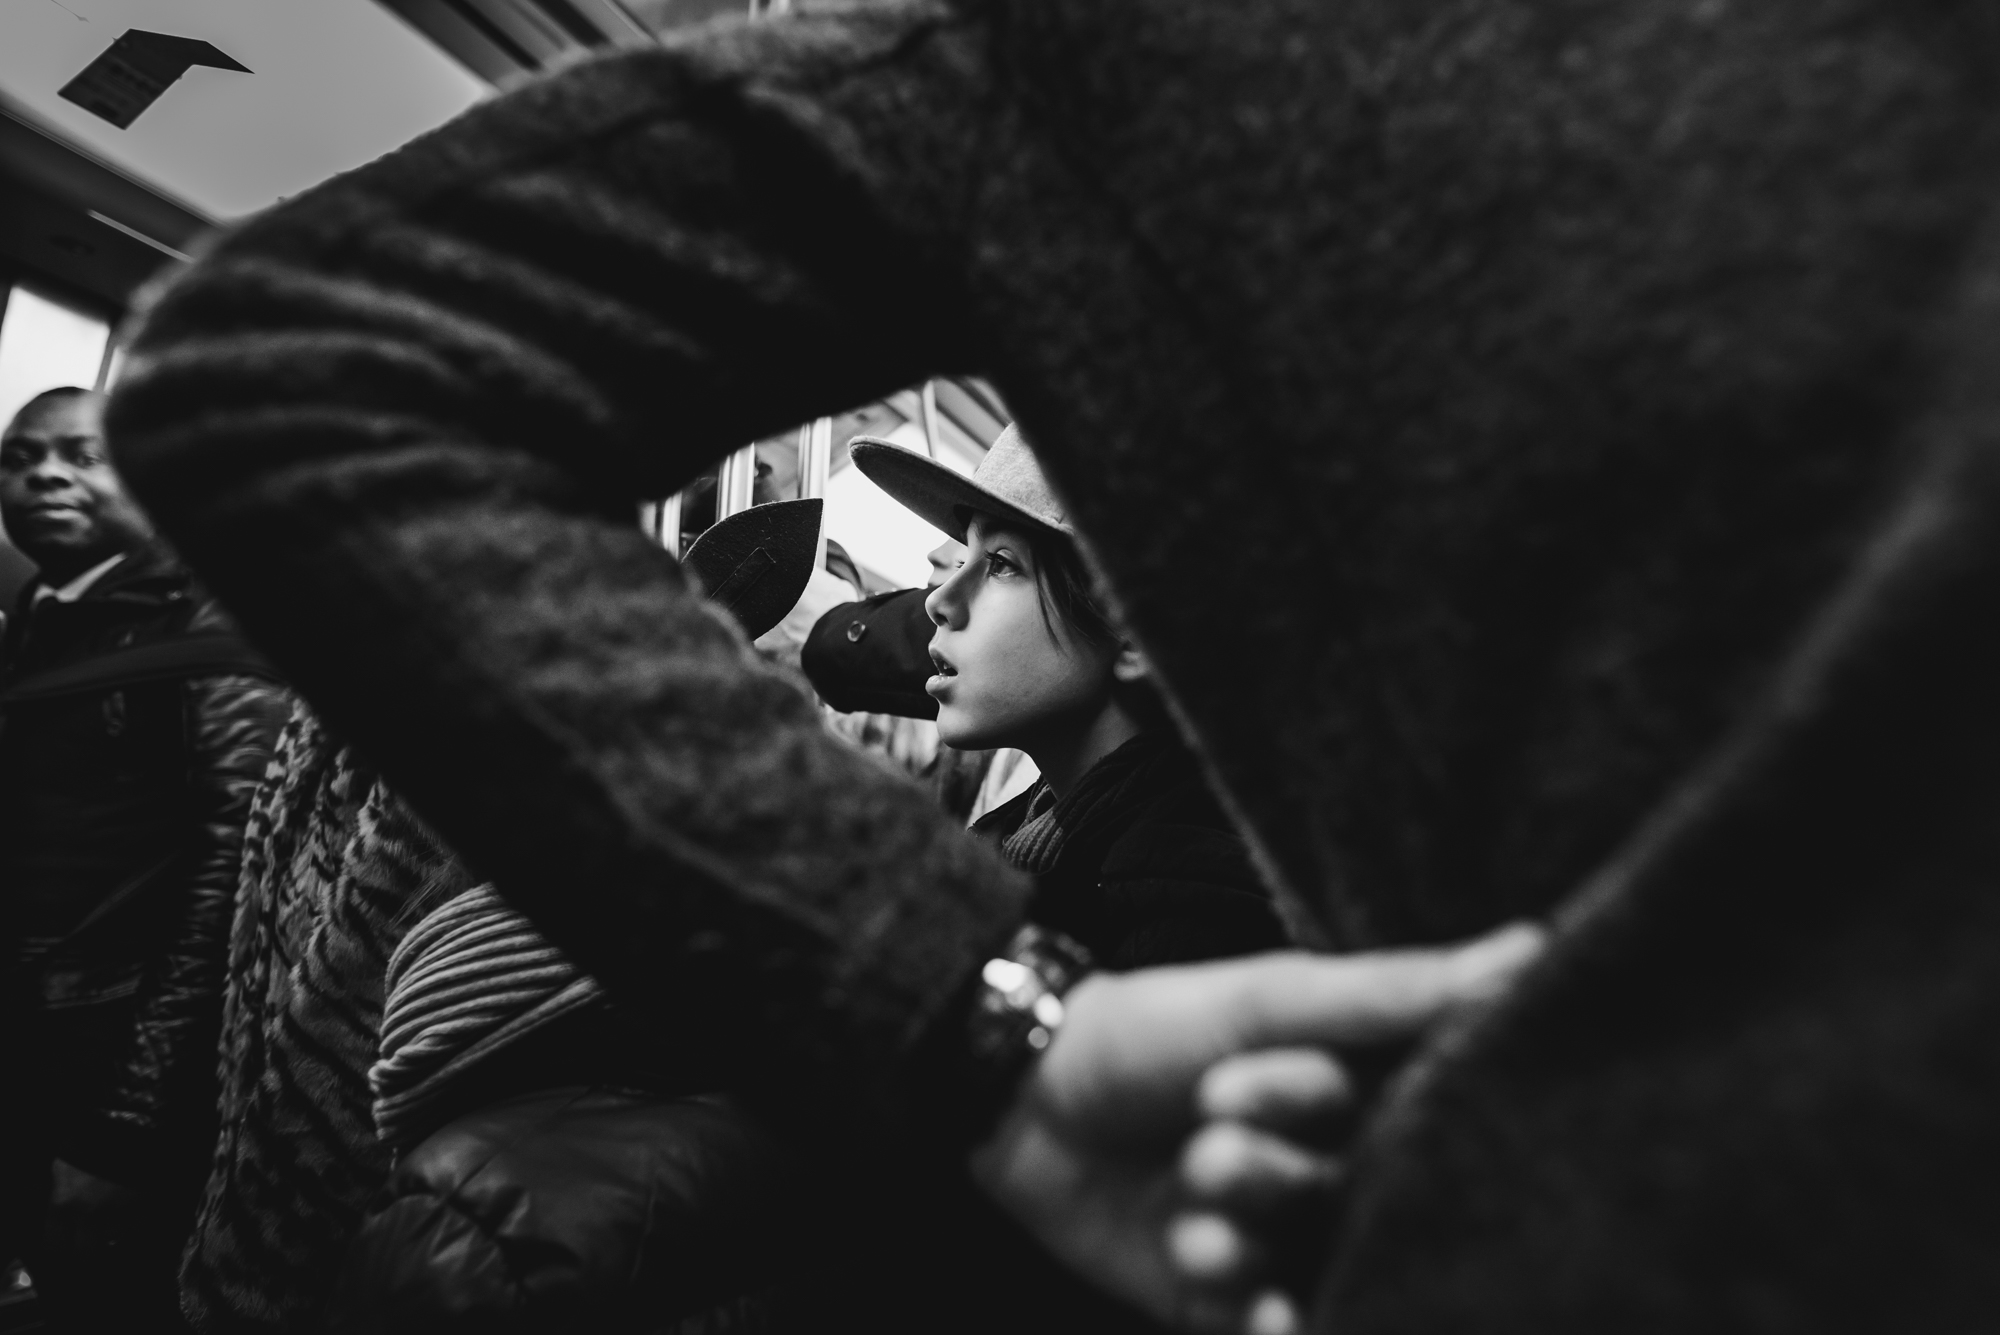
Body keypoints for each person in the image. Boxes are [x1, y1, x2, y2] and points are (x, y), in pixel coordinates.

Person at [102, 0, 2000, 1330]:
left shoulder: (1129, 75)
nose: (934, 606)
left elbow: (293, 380)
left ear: (1131, 603)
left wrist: (977, 1025)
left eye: (992, 566)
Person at [0, 388, 289, 1332]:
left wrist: (120, 1131)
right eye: (21, 457)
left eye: (85, 456)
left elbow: (227, 881)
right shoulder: (39, 618)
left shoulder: (208, 617)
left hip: (118, 1059)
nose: (44, 472)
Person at [853, 427, 1285, 967]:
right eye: (965, 557)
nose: (939, 600)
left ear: (1133, 630)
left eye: (1003, 563)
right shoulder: (1030, 835)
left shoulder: (1193, 909)